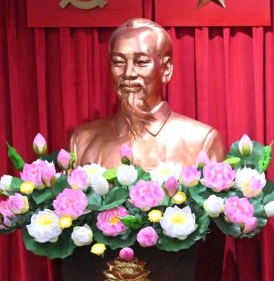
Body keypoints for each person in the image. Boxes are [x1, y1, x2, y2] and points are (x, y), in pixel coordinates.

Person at [69, 18, 225, 169]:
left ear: (166, 69)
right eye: (118, 62)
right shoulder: (83, 139)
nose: (128, 73)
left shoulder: (200, 140)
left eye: (141, 62)